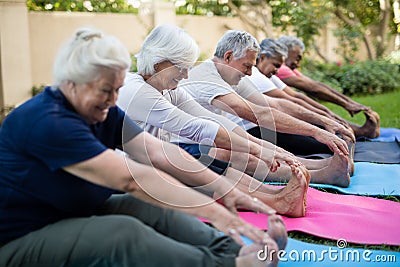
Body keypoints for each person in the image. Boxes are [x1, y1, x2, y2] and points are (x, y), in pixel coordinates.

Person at [0, 27, 288, 267]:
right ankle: (229, 265)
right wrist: (217, 213)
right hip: (21, 237)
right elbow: (130, 178)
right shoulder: (48, 122)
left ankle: (235, 251)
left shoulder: (103, 111)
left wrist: (227, 191)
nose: (113, 100)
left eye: (116, 89)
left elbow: (160, 152)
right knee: (122, 233)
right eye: (105, 91)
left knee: (149, 207)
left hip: (72, 209)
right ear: (71, 83)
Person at [117, 24, 309, 217]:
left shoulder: (166, 88)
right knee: (187, 160)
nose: (185, 75)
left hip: (152, 161)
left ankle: (277, 194)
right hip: (129, 175)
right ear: (159, 63)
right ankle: (278, 203)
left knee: (203, 157)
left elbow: (208, 117)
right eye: (181, 67)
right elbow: (197, 128)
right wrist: (260, 150)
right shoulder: (139, 91)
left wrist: (268, 149)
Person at [180, 30, 351, 187]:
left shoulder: (228, 73)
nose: (249, 73)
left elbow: (275, 104)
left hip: (213, 139)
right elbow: (259, 115)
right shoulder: (207, 78)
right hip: (182, 148)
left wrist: (323, 121)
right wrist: (316, 131)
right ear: (228, 57)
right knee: (237, 152)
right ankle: (322, 175)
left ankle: (324, 166)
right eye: (247, 66)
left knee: (246, 146)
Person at [276, 35, 380, 139]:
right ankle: (358, 131)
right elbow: (313, 89)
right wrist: (345, 104)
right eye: (297, 58)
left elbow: (316, 85)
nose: (298, 64)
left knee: (310, 106)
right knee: (304, 107)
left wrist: (350, 103)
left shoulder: (286, 68)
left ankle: (356, 129)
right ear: (286, 51)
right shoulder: (280, 68)